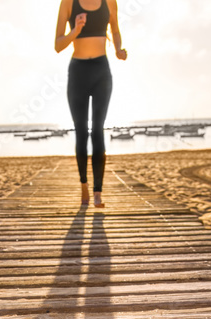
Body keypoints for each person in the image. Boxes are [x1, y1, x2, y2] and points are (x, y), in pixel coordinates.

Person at [55, 0, 127, 208]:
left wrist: (119, 49)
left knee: (97, 130)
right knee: (81, 132)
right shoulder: (68, 3)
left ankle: (98, 191)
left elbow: (115, 29)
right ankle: (84, 186)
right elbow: (58, 45)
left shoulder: (109, 2)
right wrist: (76, 30)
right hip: (78, 71)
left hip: (101, 71)